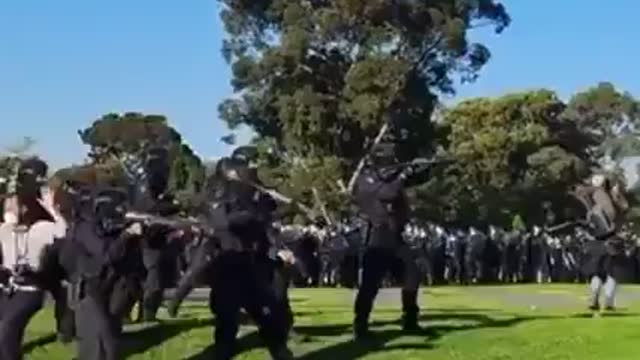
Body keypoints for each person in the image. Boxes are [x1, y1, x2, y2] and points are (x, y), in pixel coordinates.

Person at [205, 156, 292, 359]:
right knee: (227, 319)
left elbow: (267, 220)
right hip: (227, 263)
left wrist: (283, 209)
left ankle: (279, 350)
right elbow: (224, 223)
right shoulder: (218, 191)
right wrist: (256, 215)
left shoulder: (251, 192)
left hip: (250, 263)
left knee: (267, 313)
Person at [60, 187, 142, 360]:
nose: (124, 212)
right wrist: (127, 235)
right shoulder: (85, 227)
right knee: (97, 341)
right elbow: (106, 255)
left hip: (108, 286)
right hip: (86, 288)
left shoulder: (108, 226)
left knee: (109, 343)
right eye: (120, 208)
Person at [352, 142, 422, 341]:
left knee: (412, 276)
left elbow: (405, 183)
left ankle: (410, 320)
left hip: (395, 236)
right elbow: (387, 194)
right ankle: (361, 324)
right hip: (376, 237)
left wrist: (420, 168)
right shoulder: (366, 180)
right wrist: (403, 176)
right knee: (370, 284)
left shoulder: (390, 178)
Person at [0, 158, 66, 360]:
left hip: (30, 287)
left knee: (7, 330)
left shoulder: (44, 222)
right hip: (6, 285)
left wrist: (52, 208)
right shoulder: (6, 227)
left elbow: (63, 232)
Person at [578, 174, 628, 311]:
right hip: (613, 239)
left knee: (597, 272)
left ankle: (593, 298)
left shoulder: (590, 202)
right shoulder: (610, 197)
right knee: (612, 272)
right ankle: (608, 301)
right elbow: (622, 209)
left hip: (596, 241)